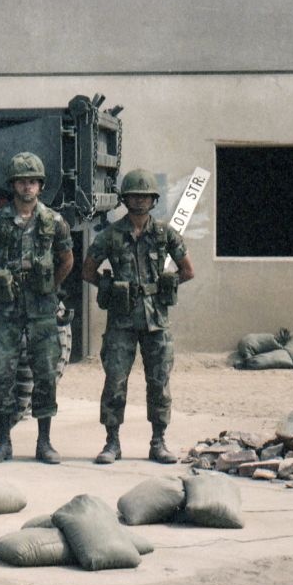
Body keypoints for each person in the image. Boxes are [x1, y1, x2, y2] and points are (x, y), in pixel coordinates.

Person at [82, 167, 196, 464]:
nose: (140, 202)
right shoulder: (110, 235)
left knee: (159, 383)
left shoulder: (164, 234)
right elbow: (87, 270)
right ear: (125, 199)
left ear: (153, 201)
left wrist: (166, 284)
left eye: (145, 197)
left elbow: (188, 270)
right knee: (115, 381)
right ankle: (112, 443)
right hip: (121, 320)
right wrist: (109, 286)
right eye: (134, 196)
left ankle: (158, 442)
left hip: (156, 321)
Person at [0, 151, 74, 464]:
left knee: (45, 375)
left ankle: (44, 443)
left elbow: (67, 260)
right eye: (22, 181)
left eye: (32, 182)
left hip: (42, 310)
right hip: (6, 310)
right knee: (2, 376)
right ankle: (3, 443)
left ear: (40, 186)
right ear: (13, 185)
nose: (27, 187)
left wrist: (50, 287)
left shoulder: (54, 222)